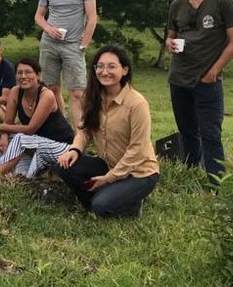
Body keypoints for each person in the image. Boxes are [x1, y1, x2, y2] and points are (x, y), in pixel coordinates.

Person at [53, 46, 159, 217]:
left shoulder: (137, 104)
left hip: (138, 173)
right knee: (63, 166)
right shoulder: (92, 96)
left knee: (101, 205)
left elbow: (137, 150)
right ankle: (110, 198)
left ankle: (128, 202)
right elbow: (85, 129)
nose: (104, 71)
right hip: (108, 164)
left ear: (124, 70)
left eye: (111, 66)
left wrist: (109, 178)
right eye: (99, 66)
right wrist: (75, 150)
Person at [165, 0, 233, 185]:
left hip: (207, 79)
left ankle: (216, 183)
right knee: (187, 131)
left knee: (210, 134)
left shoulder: (223, 0)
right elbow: (171, 35)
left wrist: (213, 72)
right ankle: (189, 173)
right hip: (179, 77)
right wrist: (169, 43)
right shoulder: (177, 5)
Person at [34, 0, 97, 128]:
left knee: (77, 93)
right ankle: (63, 130)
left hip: (73, 45)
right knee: (51, 89)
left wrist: (83, 45)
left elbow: (92, 18)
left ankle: (80, 136)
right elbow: (38, 16)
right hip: (49, 44)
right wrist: (48, 28)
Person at [0, 58, 74, 178]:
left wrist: (2, 127)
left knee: (20, 138)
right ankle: (0, 168)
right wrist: (3, 135)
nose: (23, 76)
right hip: (35, 143)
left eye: (28, 72)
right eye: (19, 73)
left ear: (38, 76)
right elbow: (8, 122)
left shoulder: (46, 95)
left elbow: (30, 129)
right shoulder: (16, 91)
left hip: (61, 146)